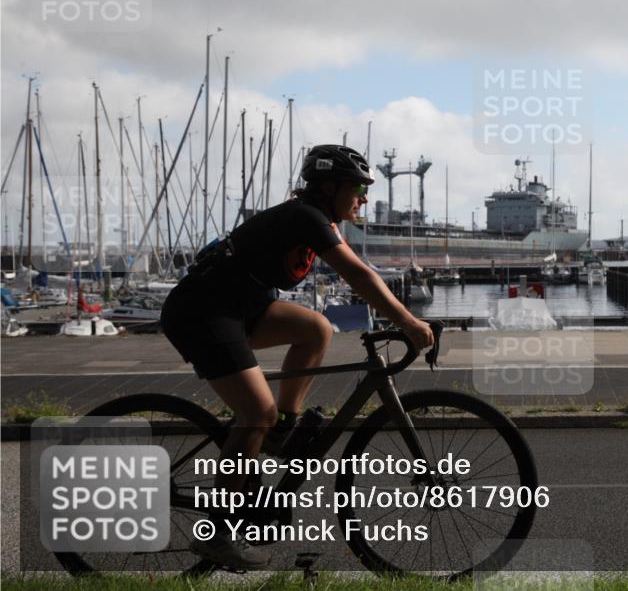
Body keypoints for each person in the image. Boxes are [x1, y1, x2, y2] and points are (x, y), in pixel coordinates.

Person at [160, 144, 434, 569]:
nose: (363, 197)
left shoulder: (318, 217)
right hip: (201, 312)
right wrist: (407, 321)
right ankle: (218, 534)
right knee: (255, 411)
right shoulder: (306, 215)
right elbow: (358, 273)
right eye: (358, 188)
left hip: (239, 307)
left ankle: (280, 428)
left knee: (316, 328)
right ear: (328, 187)